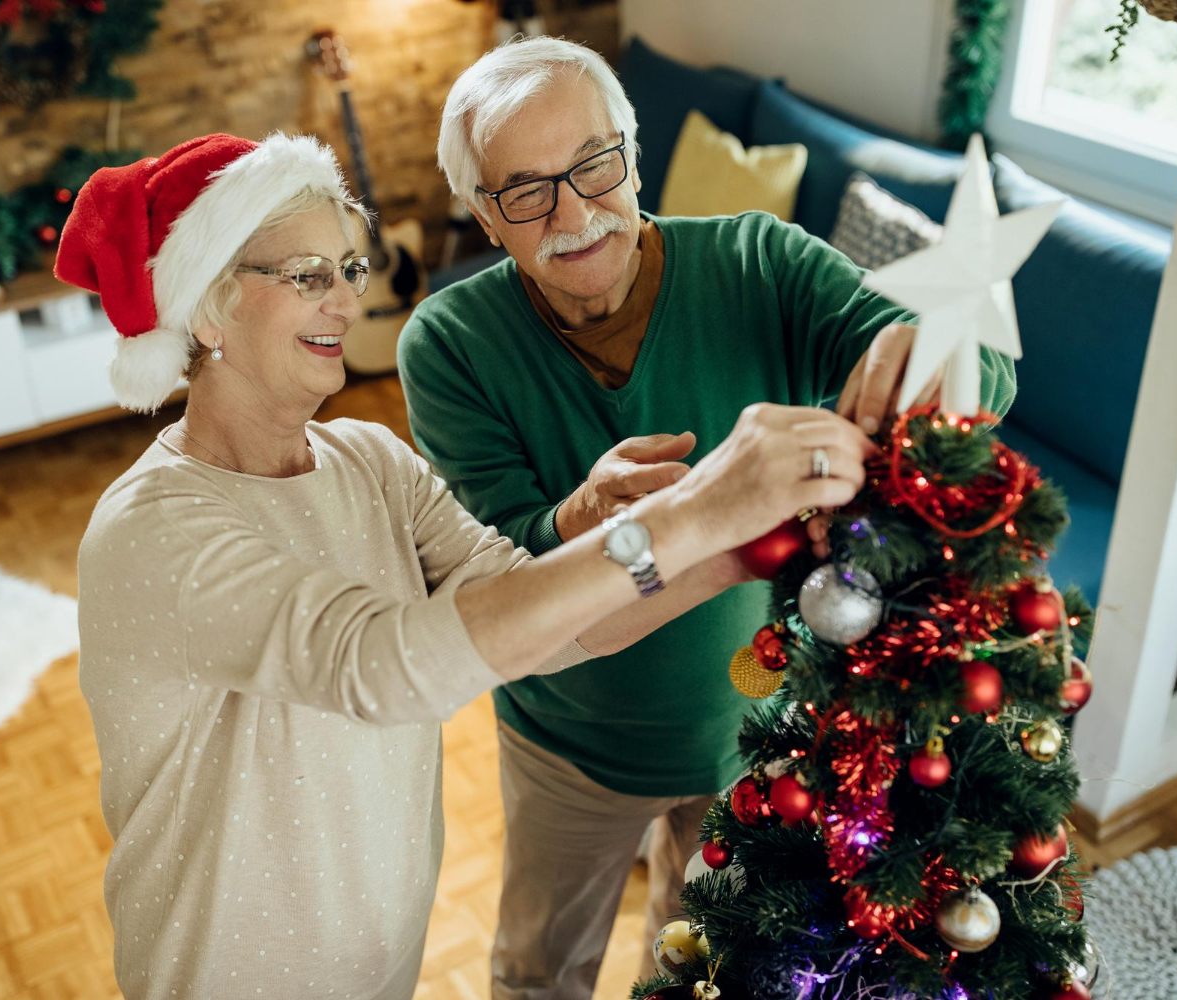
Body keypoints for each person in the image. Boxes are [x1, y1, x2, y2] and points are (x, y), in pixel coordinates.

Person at [58, 131, 876, 999]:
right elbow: (388, 666)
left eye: (350, 270)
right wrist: (694, 512)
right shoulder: (152, 531)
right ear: (207, 309)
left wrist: (727, 558)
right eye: (308, 276)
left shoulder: (370, 461)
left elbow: (547, 619)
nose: (343, 301)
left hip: (384, 963)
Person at [398, 37, 1018, 1000]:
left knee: (696, 963)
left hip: (751, 738)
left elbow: (981, 377)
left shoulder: (760, 261)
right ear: (484, 212)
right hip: (568, 747)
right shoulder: (446, 343)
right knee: (537, 968)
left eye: (595, 164)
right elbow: (490, 585)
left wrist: (927, 354)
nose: (574, 212)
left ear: (634, 152)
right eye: (525, 190)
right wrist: (572, 517)